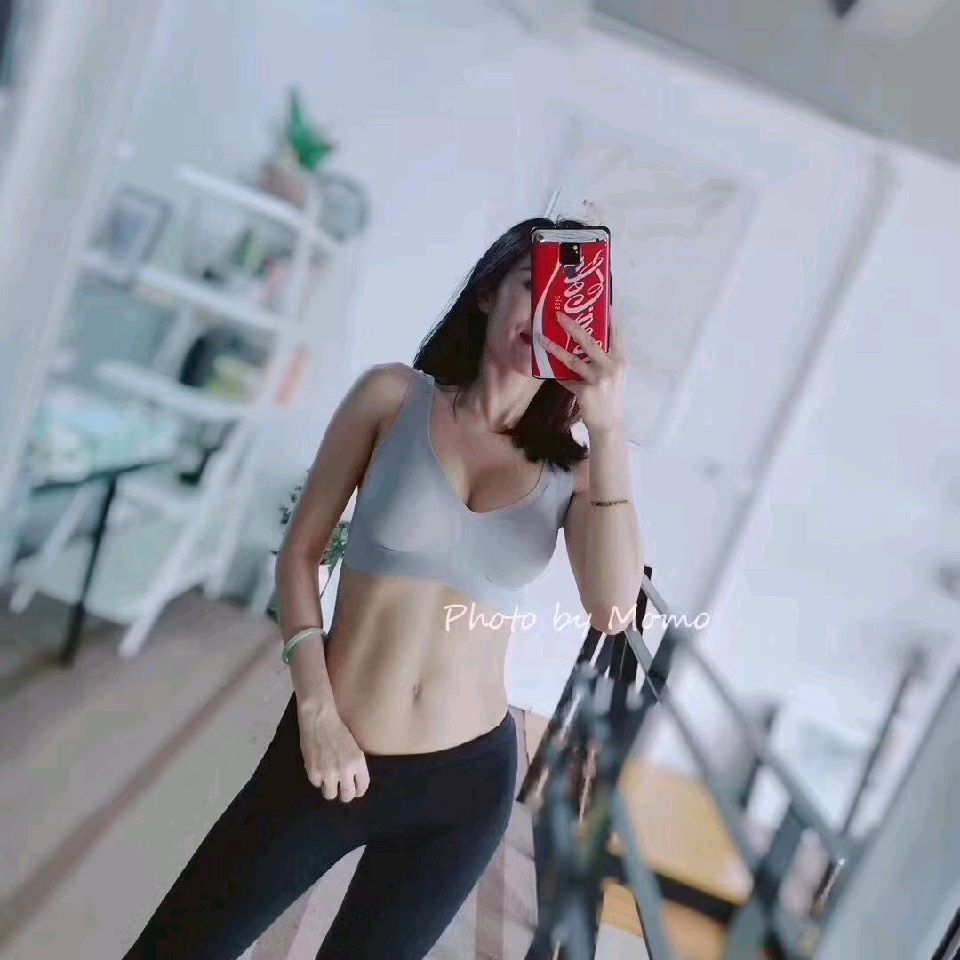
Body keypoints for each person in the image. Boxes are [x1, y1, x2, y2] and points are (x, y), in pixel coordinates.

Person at [120, 217, 644, 960]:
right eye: (534, 286)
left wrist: (611, 432)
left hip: (463, 787)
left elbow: (614, 610)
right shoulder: (393, 396)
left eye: (568, 300)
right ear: (490, 291)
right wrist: (316, 713)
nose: (544, 312)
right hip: (327, 746)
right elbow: (300, 555)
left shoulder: (577, 471)